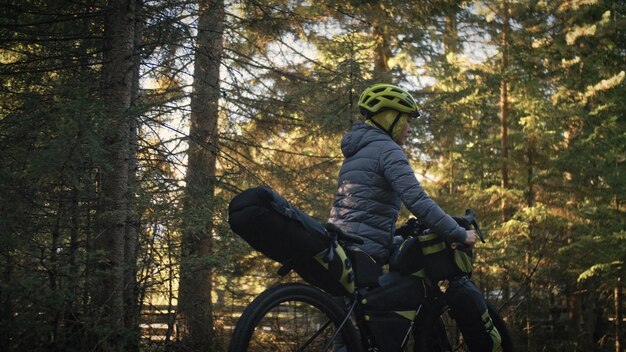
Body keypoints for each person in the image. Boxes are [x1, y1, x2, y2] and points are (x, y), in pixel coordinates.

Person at [328, 83, 501, 351]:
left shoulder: (355, 152)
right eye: (406, 120)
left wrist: (395, 235)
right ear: (390, 118)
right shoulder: (388, 150)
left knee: (347, 342)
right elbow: (418, 202)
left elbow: (363, 212)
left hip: (340, 250)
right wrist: (458, 233)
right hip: (366, 253)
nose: (409, 128)